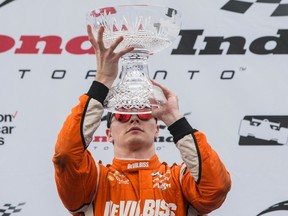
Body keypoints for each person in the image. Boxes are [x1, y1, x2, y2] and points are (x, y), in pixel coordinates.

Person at [52, 25, 231, 216]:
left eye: (145, 114)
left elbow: (217, 187)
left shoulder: (179, 180)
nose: (134, 118)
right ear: (108, 133)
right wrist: (102, 82)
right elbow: (66, 155)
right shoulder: (94, 181)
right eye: (122, 115)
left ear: (157, 129)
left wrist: (175, 119)